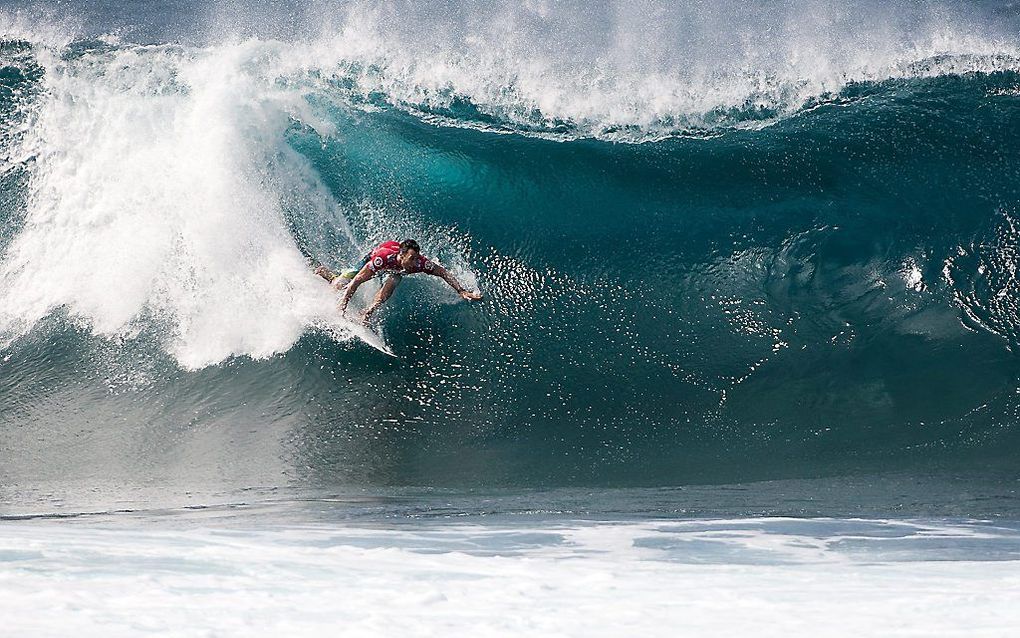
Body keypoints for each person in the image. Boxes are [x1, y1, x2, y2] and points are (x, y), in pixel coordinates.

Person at [314, 239, 482, 322]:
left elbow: (443, 272)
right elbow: (358, 281)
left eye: (417, 258)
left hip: (396, 270)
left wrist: (461, 290)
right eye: (412, 258)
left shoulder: (420, 264)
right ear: (402, 256)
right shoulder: (382, 259)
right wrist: (343, 304)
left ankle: (366, 314)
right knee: (341, 283)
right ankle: (326, 274)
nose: (416, 262)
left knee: (388, 290)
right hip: (374, 260)